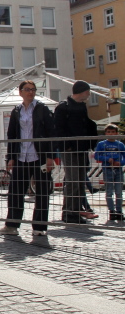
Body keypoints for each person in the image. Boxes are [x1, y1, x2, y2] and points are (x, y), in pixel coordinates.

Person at [0, 80, 55, 236]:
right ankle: (11, 226)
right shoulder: (17, 111)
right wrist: (11, 157)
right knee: (15, 192)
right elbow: (12, 135)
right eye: (27, 89)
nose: (30, 92)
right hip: (21, 156)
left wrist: (51, 156)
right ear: (20, 92)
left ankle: (39, 227)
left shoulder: (42, 109)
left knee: (42, 192)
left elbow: (51, 133)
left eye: (33, 89)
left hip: (39, 156)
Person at [54, 81, 99, 223]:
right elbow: (59, 128)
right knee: (72, 180)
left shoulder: (81, 106)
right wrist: (66, 145)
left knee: (79, 181)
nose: (89, 94)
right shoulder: (63, 107)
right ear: (81, 91)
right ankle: (69, 213)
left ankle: (76, 211)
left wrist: (90, 141)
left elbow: (86, 125)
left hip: (81, 148)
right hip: (69, 149)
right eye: (87, 91)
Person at [94, 124, 125, 222]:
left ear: (117, 133)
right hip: (107, 169)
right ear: (105, 133)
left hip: (118, 169)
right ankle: (112, 211)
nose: (110, 134)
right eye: (108, 132)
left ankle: (119, 211)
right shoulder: (101, 144)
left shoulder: (120, 144)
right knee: (109, 191)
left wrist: (121, 163)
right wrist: (107, 159)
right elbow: (96, 156)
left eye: (113, 132)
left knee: (119, 192)